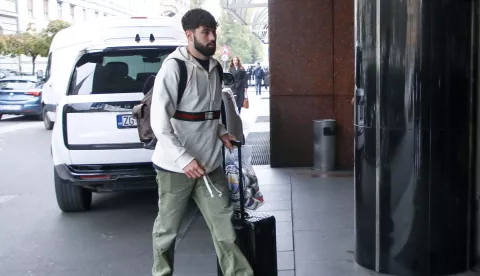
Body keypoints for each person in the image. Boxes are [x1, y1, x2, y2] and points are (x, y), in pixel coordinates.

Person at [149, 9, 254, 276]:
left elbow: (206, 112)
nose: (211, 38)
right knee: (167, 232)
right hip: (175, 168)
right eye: (205, 32)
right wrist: (184, 159)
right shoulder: (174, 68)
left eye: (213, 32)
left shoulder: (215, 68)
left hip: (209, 164)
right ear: (189, 35)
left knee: (225, 231)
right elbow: (159, 123)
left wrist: (220, 130)